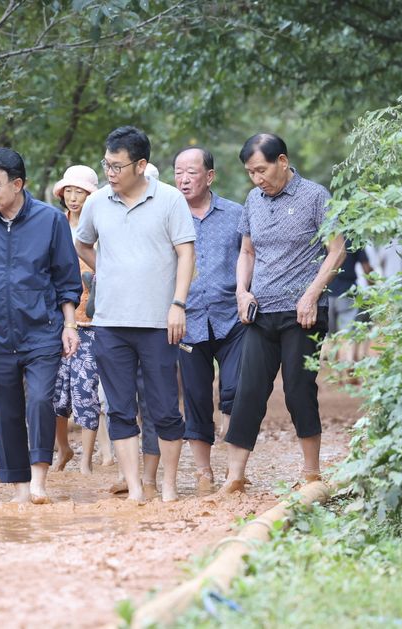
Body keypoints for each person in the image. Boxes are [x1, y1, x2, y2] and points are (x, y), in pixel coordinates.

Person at [0, 147, 82, 504]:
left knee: (40, 399)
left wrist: (70, 325)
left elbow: (67, 280)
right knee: (4, 408)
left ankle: (38, 480)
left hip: (41, 329)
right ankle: (20, 489)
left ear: (18, 184)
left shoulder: (50, 221)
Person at [75, 126, 196, 503]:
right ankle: (137, 488)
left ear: (140, 165)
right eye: (106, 165)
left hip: (158, 323)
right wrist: (107, 270)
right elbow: (83, 241)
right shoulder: (97, 202)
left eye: (117, 165)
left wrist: (178, 304)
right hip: (110, 323)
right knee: (121, 408)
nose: (110, 172)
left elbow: (186, 254)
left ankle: (170, 484)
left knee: (163, 408)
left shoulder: (170, 200)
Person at [223, 133, 346, 493]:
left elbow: (336, 251)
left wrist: (311, 295)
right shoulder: (253, 200)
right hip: (260, 311)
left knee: (297, 388)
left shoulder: (315, 196)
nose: (257, 179)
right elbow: (247, 252)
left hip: (303, 313)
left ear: (282, 161)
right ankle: (235, 475)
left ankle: (311, 473)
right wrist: (241, 291)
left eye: (261, 170)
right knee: (247, 391)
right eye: (250, 173)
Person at [173, 146, 246, 491]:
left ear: (210, 176)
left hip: (232, 318)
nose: (184, 179)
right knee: (196, 397)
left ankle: (235, 472)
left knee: (234, 390)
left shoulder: (235, 214)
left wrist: (248, 294)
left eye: (191, 172)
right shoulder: (169, 216)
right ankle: (204, 473)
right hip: (188, 321)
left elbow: (251, 257)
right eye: (178, 173)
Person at [50, 165, 102, 476]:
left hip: (92, 322)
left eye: (79, 191)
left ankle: (86, 460)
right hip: (56, 320)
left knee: (86, 390)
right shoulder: (55, 225)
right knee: (55, 394)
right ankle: (63, 449)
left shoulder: (100, 227)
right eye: (68, 191)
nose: (72, 197)